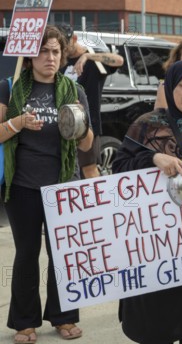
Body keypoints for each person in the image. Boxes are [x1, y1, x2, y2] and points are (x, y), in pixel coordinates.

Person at [112, 60, 182, 344]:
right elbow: (118, 169)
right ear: (170, 88)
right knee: (156, 324)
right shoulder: (147, 125)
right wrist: (153, 158)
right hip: (160, 244)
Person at [0, 25, 93, 343]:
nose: (50, 57)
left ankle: (63, 317)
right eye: (43, 51)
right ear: (29, 56)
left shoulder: (73, 90)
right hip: (23, 186)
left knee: (62, 254)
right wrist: (18, 122)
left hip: (64, 186)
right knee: (27, 252)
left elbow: (86, 145)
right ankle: (24, 322)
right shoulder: (10, 88)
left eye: (55, 51)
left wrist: (78, 125)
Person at [59, 23, 124, 179]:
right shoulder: (59, 60)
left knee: (88, 168)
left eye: (64, 44)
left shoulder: (93, 60)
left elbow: (119, 60)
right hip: (62, 123)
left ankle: (96, 202)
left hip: (87, 124)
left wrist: (87, 56)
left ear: (74, 39)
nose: (63, 50)